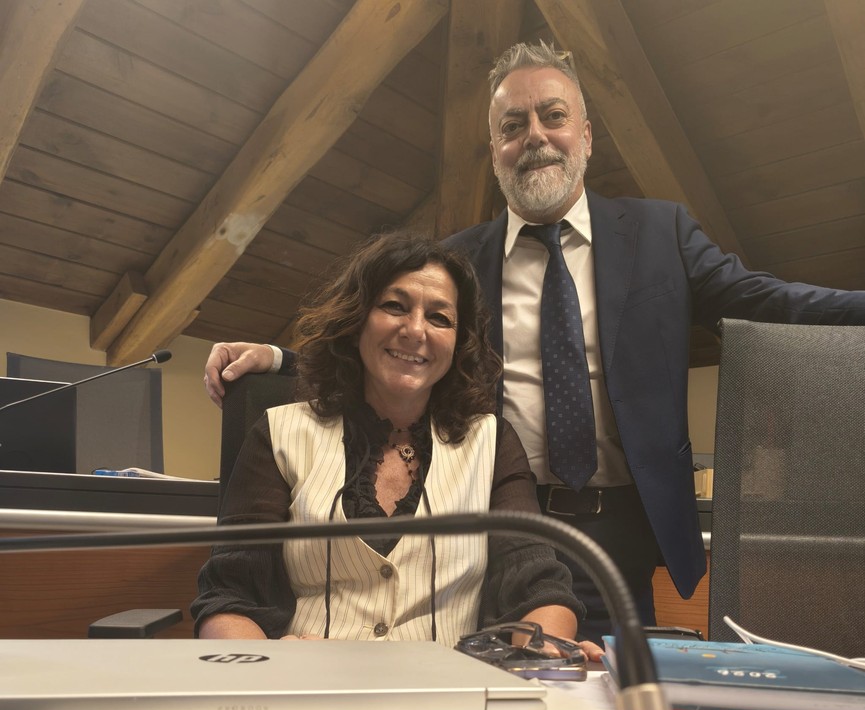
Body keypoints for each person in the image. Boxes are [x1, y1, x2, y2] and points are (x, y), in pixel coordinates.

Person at [203, 43, 865, 643]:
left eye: (553, 116)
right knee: (499, 682)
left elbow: (769, 302)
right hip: (491, 524)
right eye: (513, 125)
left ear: (585, 135)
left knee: (610, 696)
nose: (535, 136)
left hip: (622, 528)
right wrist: (280, 360)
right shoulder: (458, 260)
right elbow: (400, 352)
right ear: (494, 148)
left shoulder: (660, 233)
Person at [193, 231, 602, 659]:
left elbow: (536, 581)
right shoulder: (278, 432)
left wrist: (545, 649)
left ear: (458, 342)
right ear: (356, 319)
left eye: (440, 318)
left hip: (448, 692)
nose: (415, 330)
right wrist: (267, 666)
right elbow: (228, 595)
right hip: (308, 687)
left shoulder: (493, 441)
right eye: (394, 306)